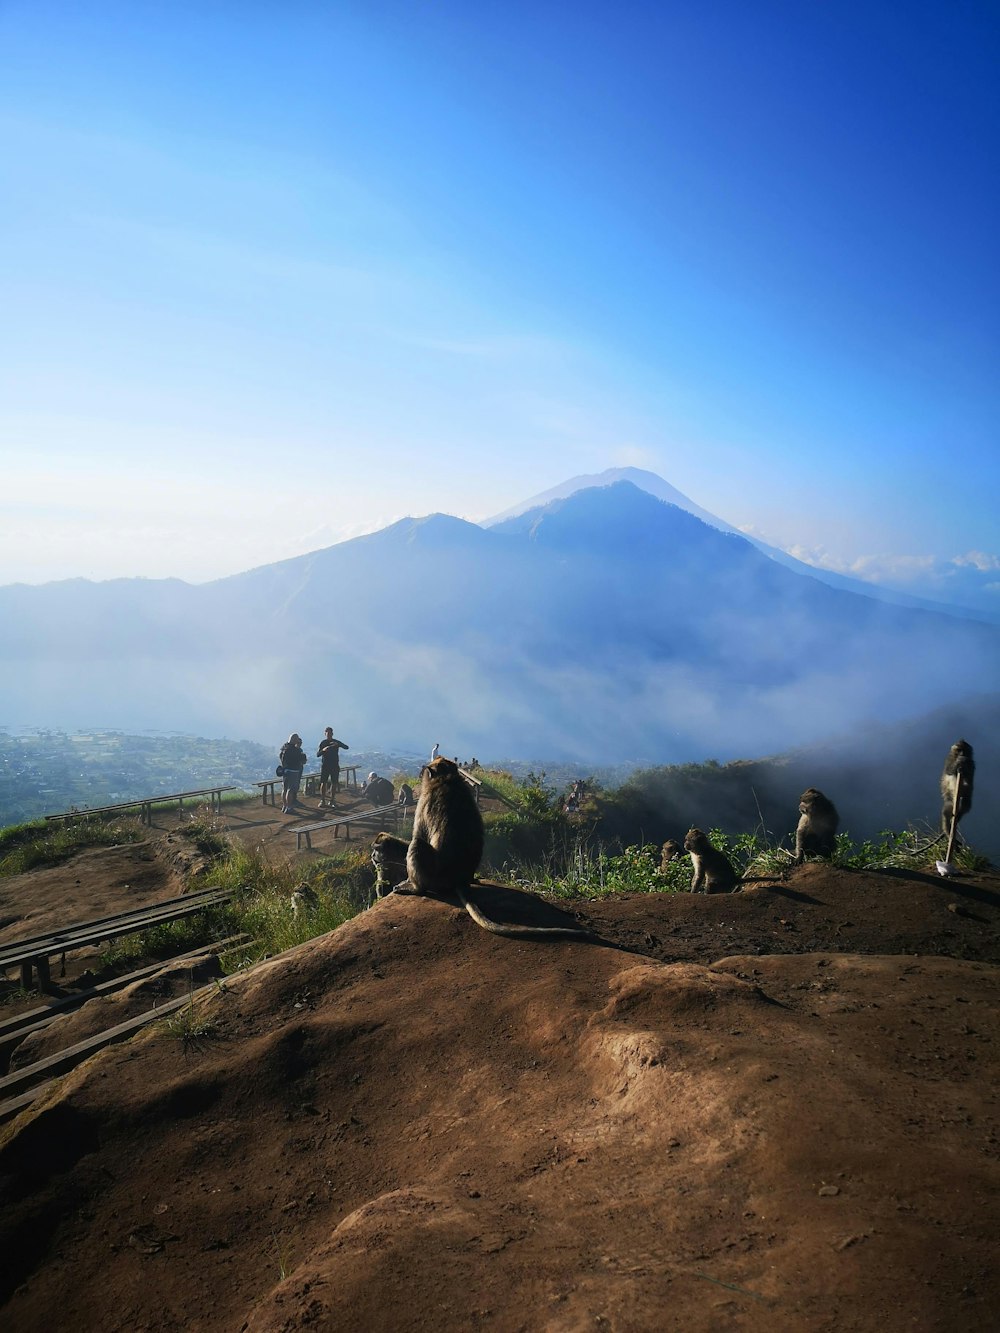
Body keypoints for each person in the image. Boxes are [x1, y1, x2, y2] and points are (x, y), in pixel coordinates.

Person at [316, 727, 349, 809]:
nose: (329, 734)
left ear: (332, 734)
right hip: (325, 765)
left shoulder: (336, 742)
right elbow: (318, 754)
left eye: (330, 733)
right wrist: (323, 750)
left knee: (334, 783)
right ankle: (322, 800)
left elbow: (346, 747)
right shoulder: (323, 743)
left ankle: (332, 800)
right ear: (325, 734)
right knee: (323, 783)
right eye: (327, 733)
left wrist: (338, 745)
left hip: (334, 765)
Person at [279, 733, 307, 814]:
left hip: (285, 771)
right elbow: (302, 761)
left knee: (284, 789)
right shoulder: (295, 750)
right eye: (297, 739)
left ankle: (284, 806)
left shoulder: (284, 748)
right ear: (294, 740)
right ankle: (289, 807)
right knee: (290, 790)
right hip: (293, 771)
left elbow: (281, 758)